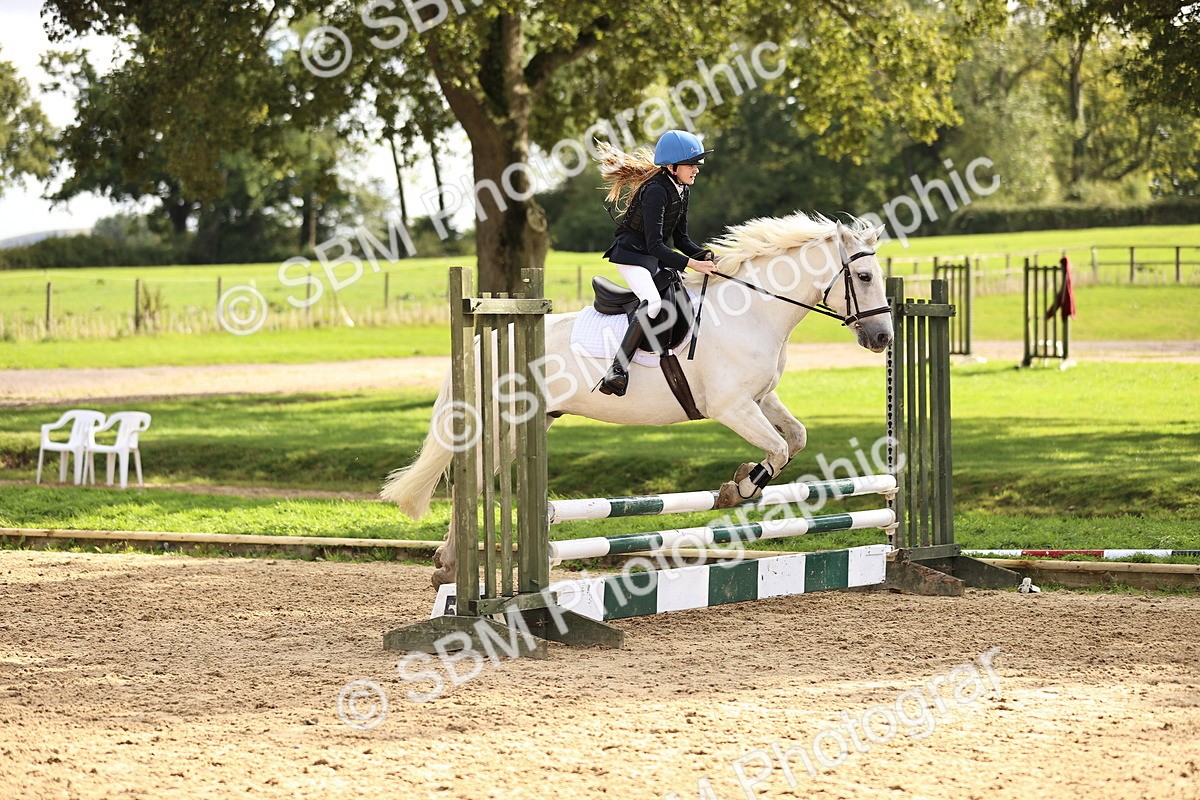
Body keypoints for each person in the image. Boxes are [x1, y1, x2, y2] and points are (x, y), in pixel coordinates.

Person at [596, 130, 717, 396]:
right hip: (631, 255)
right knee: (651, 302)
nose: (696, 170)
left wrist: (704, 255)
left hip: (652, 257)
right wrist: (692, 265)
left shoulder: (682, 190)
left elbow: (681, 239)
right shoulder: (655, 191)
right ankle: (617, 370)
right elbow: (656, 245)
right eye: (691, 164)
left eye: (697, 164)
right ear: (673, 167)